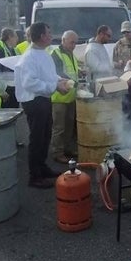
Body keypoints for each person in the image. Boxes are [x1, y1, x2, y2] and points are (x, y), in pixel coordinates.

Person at [14, 22, 71, 189]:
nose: (51, 35)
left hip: (43, 99)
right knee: (37, 138)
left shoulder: (43, 52)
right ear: (40, 36)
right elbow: (29, 83)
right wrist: (54, 86)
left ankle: (42, 167)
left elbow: (48, 74)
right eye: (48, 33)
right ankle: (34, 176)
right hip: (33, 101)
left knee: (46, 136)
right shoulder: (29, 57)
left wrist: (59, 80)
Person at [50, 30, 78, 164]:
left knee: (69, 126)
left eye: (75, 43)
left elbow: (72, 71)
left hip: (70, 96)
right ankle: (57, 152)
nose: (74, 45)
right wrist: (76, 82)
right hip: (59, 98)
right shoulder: (56, 54)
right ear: (64, 40)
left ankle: (66, 149)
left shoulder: (70, 53)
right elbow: (59, 74)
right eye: (72, 42)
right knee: (59, 127)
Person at [0, 28, 20, 108]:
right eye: (16, 37)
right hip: (5, 88)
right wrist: (1, 91)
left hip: (13, 86)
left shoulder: (14, 50)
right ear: (10, 37)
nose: (17, 39)